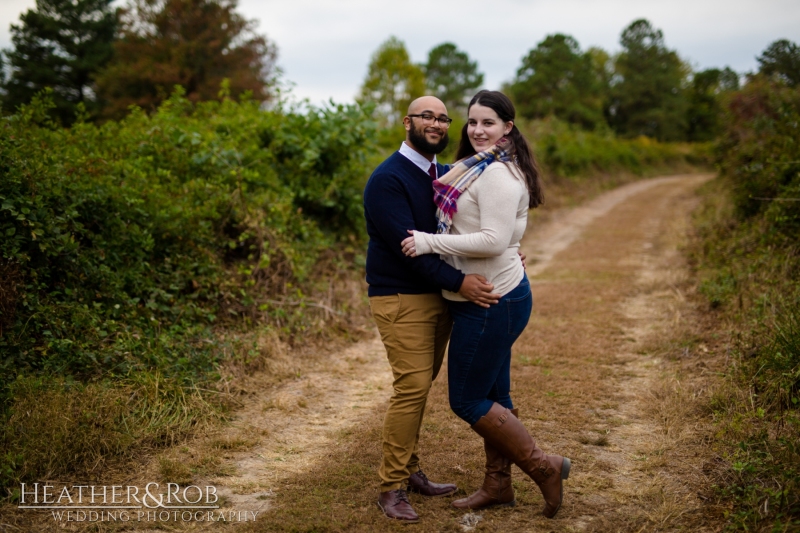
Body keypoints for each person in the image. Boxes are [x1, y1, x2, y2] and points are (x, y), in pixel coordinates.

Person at [400, 90, 571, 519]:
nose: (477, 130)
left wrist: (426, 242)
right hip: (491, 292)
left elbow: (493, 239)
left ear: (507, 128)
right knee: (495, 394)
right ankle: (498, 485)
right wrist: (509, 249)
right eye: (472, 122)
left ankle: (542, 466)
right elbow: (502, 236)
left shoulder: (495, 173)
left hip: (491, 300)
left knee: (467, 400)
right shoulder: (476, 168)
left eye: (488, 123)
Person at [363, 95, 504, 523]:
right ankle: (391, 487)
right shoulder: (387, 179)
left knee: (421, 386)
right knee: (411, 387)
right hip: (401, 297)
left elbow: (469, 231)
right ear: (407, 122)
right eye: (428, 116)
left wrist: (506, 256)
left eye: (444, 118)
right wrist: (462, 282)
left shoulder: (442, 174)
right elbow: (412, 251)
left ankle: (410, 470)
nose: (437, 124)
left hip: (437, 298)